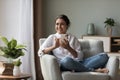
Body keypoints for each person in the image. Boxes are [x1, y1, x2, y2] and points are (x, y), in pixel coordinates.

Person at [38, 14, 109, 73]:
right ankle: (93, 70)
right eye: (57, 24)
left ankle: (79, 69)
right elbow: (40, 52)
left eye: (62, 24)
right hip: (65, 64)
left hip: (79, 63)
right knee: (66, 60)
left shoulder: (73, 38)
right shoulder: (52, 37)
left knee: (104, 56)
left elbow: (80, 57)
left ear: (67, 26)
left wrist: (68, 47)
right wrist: (54, 46)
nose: (59, 27)